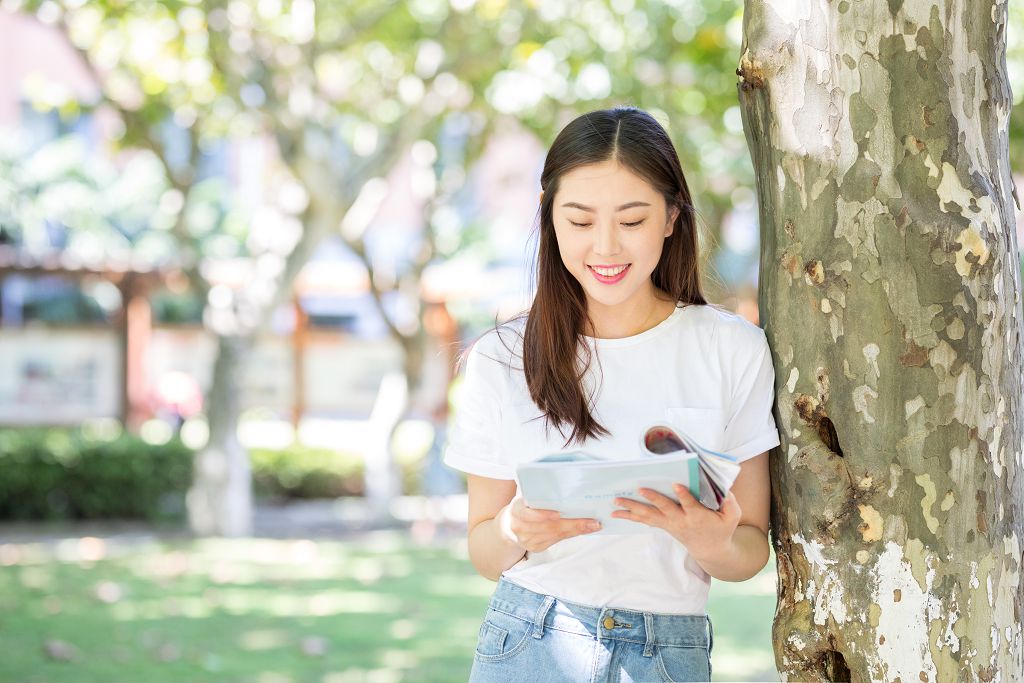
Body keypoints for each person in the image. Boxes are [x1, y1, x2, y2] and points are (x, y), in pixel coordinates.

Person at [443, 106, 781, 683]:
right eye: (578, 221)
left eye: (631, 221)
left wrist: (711, 541)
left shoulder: (734, 350)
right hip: (529, 639)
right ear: (549, 219)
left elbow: (749, 551)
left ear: (672, 216)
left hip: (667, 651)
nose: (605, 247)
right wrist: (514, 531)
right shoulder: (501, 358)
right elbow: (483, 551)